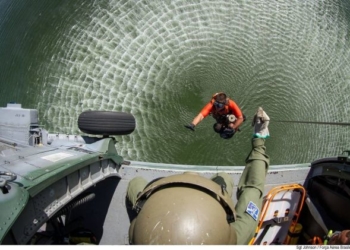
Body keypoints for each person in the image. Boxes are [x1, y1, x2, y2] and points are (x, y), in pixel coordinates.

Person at [126, 107, 271, 245]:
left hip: (162, 204)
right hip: (162, 197)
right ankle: (221, 185)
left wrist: (259, 140)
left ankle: (221, 185)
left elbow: (252, 194)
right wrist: (259, 139)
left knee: (223, 179)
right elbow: (252, 192)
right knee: (223, 178)